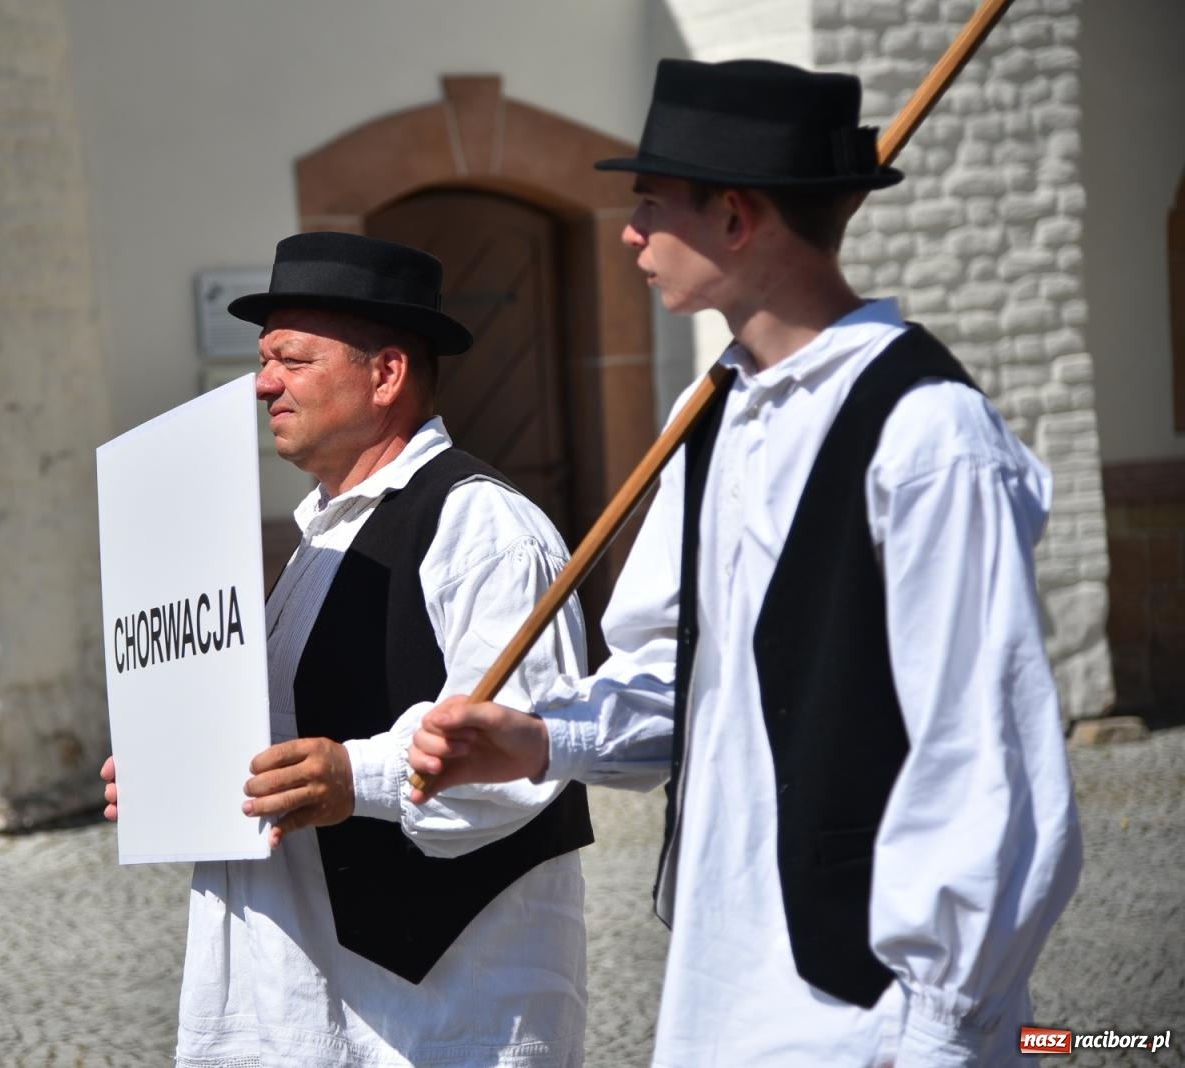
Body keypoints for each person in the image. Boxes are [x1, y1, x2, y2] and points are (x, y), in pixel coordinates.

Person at [408, 59, 1082, 1066]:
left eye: (651, 202)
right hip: (721, 986)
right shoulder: (715, 417)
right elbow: (695, 685)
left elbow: (985, 760)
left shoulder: (929, 438)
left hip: (868, 1016)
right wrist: (544, 738)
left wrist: (943, 1029)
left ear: (734, 216)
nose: (630, 232)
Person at [101, 231, 595, 1066]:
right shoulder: (321, 538)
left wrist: (352, 777)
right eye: (264, 361)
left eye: (291, 360)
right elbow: (282, 735)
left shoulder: (486, 530)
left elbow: (523, 747)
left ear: (386, 373)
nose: (264, 384)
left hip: (434, 1019)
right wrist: (181, 777)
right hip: (288, 997)